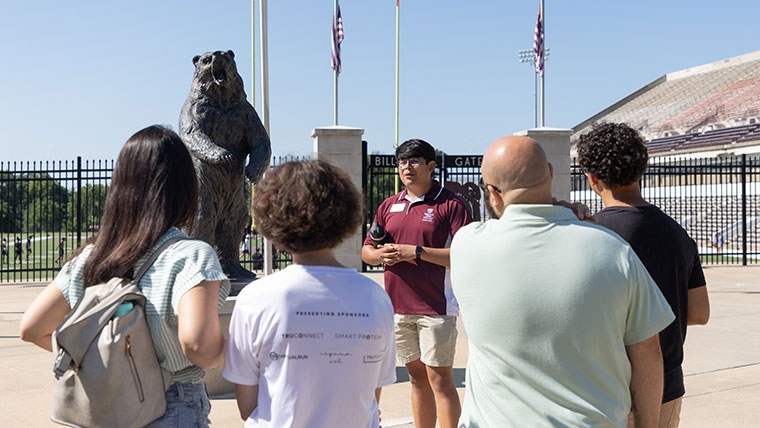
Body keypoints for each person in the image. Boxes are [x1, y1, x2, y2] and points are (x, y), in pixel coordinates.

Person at [450, 136, 675, 428]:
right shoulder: (612, 249)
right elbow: (648, 352)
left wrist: (559, 208)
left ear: (493, 192)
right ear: (551, 173)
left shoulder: (467, 246)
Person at [19, 125, 230, 427]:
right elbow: (198, 345)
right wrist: (234, 355)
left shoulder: (90, 259)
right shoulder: (190, 255)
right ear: (185, 187)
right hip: (171, 404)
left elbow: (32, 328)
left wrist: (102, 362)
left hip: (104, 407)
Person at [223, 160, 396, 428]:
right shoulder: (376, 297)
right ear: (346, 215)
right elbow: (370, 395)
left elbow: (249, 406)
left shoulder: (255, 298)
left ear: (272, 219)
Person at [576, 122, 710, 428]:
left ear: (593, 179)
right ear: (641, 170)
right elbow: (700, 312)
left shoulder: (588, 234)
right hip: (666, 387)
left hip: (605, 391)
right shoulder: (677, 234)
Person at [361, 139, 470, 428]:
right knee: (416, 378)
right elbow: (367, 250)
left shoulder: (451, 205)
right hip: (397, 308)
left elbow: (466, 254)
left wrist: (416, 252)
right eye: (401, 163)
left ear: (431, 166)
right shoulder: (389, 205)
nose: (406, 168)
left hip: (436, 307)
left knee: (440, 380)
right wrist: (379, 254)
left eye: (413, 161)